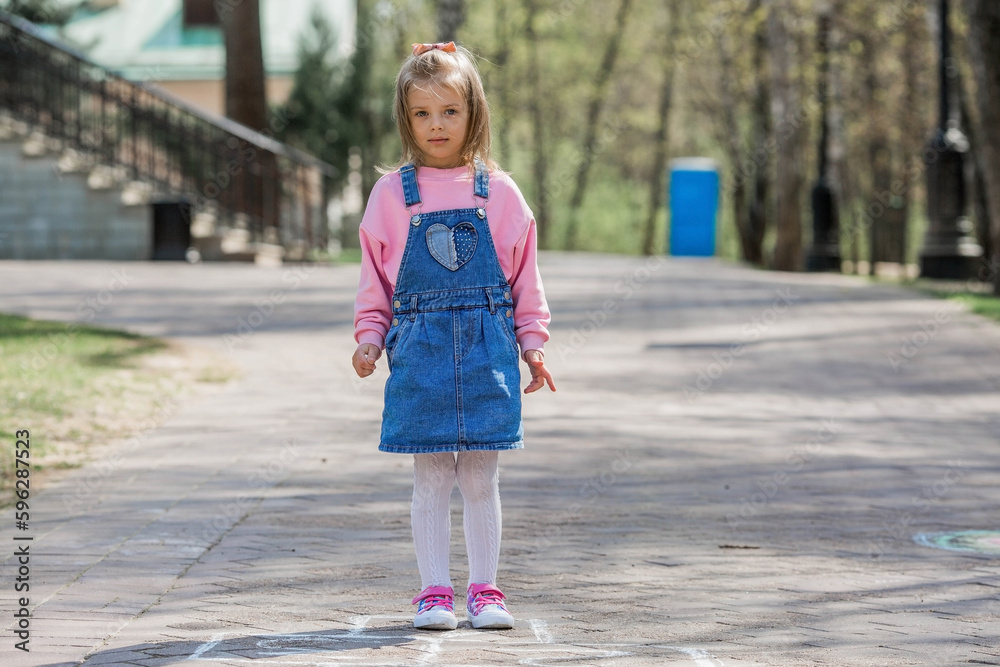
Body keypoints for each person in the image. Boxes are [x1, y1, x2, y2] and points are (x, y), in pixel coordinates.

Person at [351, 41, 555, 631]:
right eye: (422, 113)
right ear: (405, 117)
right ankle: (434, 592)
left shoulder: (501, 193)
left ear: (474, 113)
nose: (436, 125)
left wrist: (533, 343)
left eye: (449, 111)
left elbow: (525, 279)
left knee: (481, 477)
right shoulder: (391, 195)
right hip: (422, 353)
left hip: (490, 351)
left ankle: (485, 591)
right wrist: (369, 336)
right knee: (433, 474)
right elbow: (375, 282)